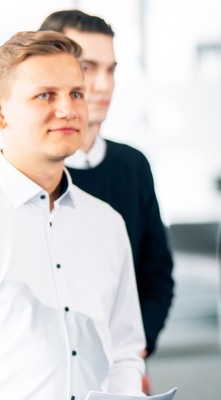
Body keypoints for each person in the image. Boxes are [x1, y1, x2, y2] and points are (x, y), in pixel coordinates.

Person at [0, 30, 145, 399]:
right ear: (2, 114)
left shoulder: (107, 223)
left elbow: (125, 350)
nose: (68, 109)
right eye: (45, 95)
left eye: (75, 94)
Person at [40, 10, 174, 360]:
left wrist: (135, 354)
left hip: (122, 366)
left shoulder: (132, 166)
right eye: (87, 67)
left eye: (111, 69)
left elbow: (156, 272)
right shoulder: (25, 172)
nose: (102, 84)